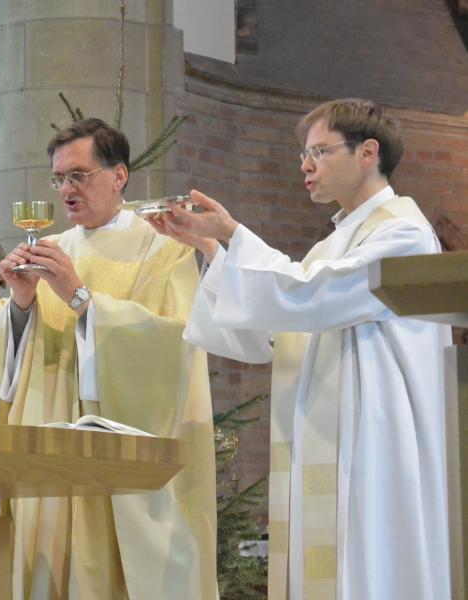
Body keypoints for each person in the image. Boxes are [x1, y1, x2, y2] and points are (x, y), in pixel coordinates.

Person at [146, 98, 452, 600]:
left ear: (367, 152)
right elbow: (275, 330)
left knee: (369, 565)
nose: (305, 166)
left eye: (319, 152)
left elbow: (307, 295)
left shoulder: (402, 232)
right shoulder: (332, 245)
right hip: (332, 436)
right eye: (302, 155)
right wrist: (211, 250)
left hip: (374, 440)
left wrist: (232, 234)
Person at [0, 118, 216, 599]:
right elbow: (10, 364)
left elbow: (175, 342)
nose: (66, 190)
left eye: (79, 175)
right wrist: (22, 303)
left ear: (118, 176)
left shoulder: (163, 247)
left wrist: (79, 298)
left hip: (120, 452)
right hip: (53, 451)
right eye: (58, 179)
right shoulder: (54, 250)